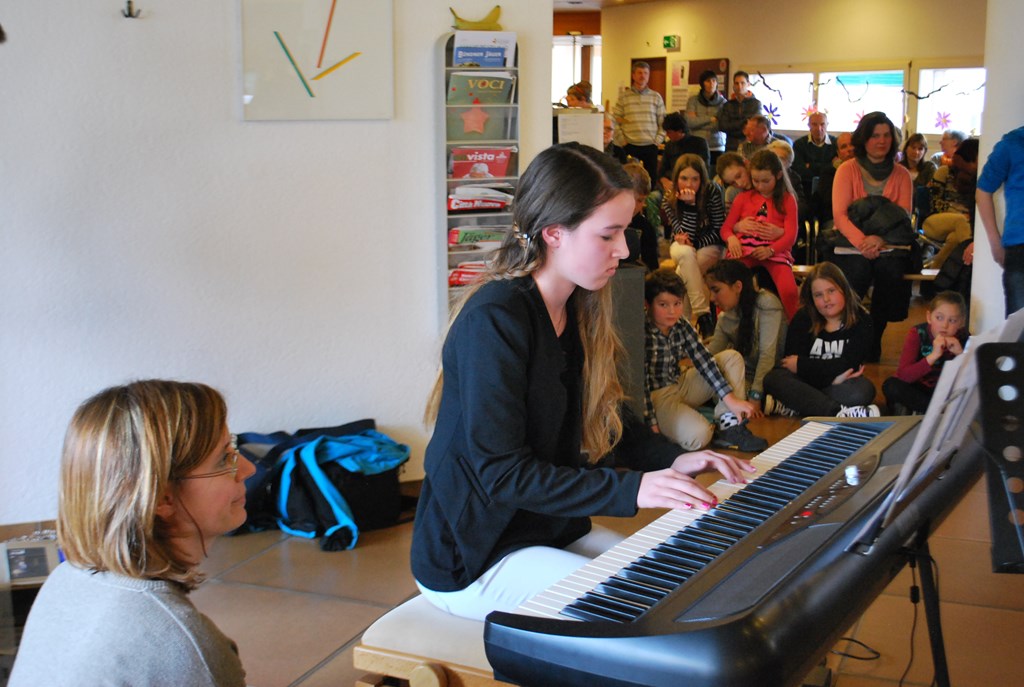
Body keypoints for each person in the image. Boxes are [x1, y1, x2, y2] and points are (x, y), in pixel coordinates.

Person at [410, 143, 755, 621]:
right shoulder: (495, 320)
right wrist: (633, 489)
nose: (624, 250)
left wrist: (675, 459)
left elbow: (606, 413)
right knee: (644, 615)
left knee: (677, 583)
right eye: (608, 235)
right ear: (554, 232)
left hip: (546, 527)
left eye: (624, 232)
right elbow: (503, 475)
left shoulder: (574, 307)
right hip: (475, 553)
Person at [9, 380, 252, 687]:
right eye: (224, 459)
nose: (248, 469)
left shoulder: (65, 578)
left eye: (234, 449)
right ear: (161, 498)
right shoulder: (189, 648)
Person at [643, 269, 768, 453]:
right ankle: (678, 424)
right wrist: (651, 425)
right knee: (700, 436)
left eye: (677, 303)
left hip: (680, 382)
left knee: (731, 358)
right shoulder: (642, 330)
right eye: (663, 304)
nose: (672, 311)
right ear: (648, 304)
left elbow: (704, 360)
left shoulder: (681, 325)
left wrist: (731, 399)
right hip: (658, 395)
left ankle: (729, 426)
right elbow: (641, 385)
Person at [831, 111, 914, 362]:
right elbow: (840, 216)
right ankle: (852, 334)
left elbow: (902, 216)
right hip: (851, 242)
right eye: (875, 135)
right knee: (856, 273)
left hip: (889, 244)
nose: (882, 141)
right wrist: (863, 243)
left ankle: (875, 334)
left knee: (890, 273)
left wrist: (878, 241)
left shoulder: (902, 174)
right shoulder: (846, 170)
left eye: (886, 135)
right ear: (864, 139)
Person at [763, 262, 881, 418]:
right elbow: (790, 363)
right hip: (819, 381)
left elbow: (848, 364)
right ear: (811, 298)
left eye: (831, 291)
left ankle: (797, 405)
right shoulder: (803, 318)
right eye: (818, 295)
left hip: (836, 383)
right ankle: (838, 412)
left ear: (844, 289)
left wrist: (803, 365)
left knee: (863, 391)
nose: (826, 299)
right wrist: (832, 378)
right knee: (774, 378)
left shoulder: (862, 320)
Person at [721, 149, 800, 320]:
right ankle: (723, 323)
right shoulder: (743, 198)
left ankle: (795, 327)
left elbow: (791, 236)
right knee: (725, 282)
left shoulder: (787, 199)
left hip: (775, 253)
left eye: (765, 181)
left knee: (789, 291)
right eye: (755, 181)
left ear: (778, 176)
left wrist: (771, 250)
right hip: (744, 250)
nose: (760, 186)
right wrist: (732, 238)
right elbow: (726, 228)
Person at [705, 260, 788, 416]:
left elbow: (767, 356)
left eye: (716, 290)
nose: (712, 298)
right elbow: (711, 355)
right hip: (745, 376)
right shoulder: (725, 318)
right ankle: (768, 404)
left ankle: (768, 403)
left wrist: (755, 396)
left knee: (726, 396)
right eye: (710, 291)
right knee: (713, 389)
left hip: (772, 374)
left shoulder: (766, 303)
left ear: (738, 286)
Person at [659, 154, 727, 335]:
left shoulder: (712, 191)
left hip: (711, 244)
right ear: (676, 178)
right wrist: (689, 206)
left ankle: (683, 328)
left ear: (702, 179)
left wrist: (695, 243)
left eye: (695, 179)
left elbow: (718, 230)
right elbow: (682, 234)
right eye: (684, 178)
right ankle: (703, 315)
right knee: (686, 254)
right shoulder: (669, 197)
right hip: (682, 246)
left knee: (683, 273)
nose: (689, 184)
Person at [882, 291, 967, 415]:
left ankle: (929, 410)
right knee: (891, 386)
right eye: (939, 318)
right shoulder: (917, 333)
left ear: (961, 322)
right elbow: (904, 375)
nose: (945, 325)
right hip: (920, 388)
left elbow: (971, 377)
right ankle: (935, 410)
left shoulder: (964, 338)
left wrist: (960, 354)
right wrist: (933, 356)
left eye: (952, 320)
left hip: (946, 391)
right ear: (929, 317)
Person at [976, 125, 1024, 315]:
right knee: (1018, 326)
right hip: (1020, 249)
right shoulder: (1013, 143)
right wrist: (995, 241)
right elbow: (983, 190)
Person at [923, 138, 979, 269]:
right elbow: (936, 204)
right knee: (961, 221)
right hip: (935, 221)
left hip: (963, 226)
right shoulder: (944, 172)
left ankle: (935, 275)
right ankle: (972, 266)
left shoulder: (978, 178)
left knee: (954, 238)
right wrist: (961, 214)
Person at [613, 61, 666, 184]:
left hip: (650, 146)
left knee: (650, 181)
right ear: (633, 75)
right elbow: (615, 120)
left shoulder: (656, 97)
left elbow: (663, 121)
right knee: (629, 181)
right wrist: (622, 140)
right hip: (629, 145)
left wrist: (658, 141)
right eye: (640, 73)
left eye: (646, 73)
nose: (643, 76)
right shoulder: (623, 97)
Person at [792, 112, 838, 206]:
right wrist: (829, 165)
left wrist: (810, 166)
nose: (819, 128)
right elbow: (799, 171)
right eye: (814, 124)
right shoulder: (799, 144)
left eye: (822, 124)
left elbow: (836, 170)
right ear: (809, 126)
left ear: (827, 125)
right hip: (805, 190)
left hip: (831, 189)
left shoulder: (836, 143)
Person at [622, 160, 660, 270]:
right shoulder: (604, 222)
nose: (634, 206)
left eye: (640, 200)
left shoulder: (646, 228)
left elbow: (652, 268)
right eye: (630, 198)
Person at [685, 69, 727, 164]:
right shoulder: (693, 101)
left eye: (714, 81)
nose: (711, 84)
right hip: (696, 145)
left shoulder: (723, 103)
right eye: (708, 81)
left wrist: (699, 121)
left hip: (716, 145)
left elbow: (720, 125)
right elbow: (690, 123)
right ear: (702, 83)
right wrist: (711, 119)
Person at [718, 71, 762, 152]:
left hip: (750, 147)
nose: (739, 86)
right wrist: (744, 122)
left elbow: (753, 127)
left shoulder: (756, 104)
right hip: (731, 147)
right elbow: (723, 126)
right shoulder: (727, 105)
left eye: (742, 83)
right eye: (736, 83)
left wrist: (733, 126)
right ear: (733, 85)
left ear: (748, 84)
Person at [659, 112, 711, 179]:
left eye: (669, 132)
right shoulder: (669, 145)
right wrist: (664, 180)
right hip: (672, 181)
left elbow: (704, 170)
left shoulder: (699, 143)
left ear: (680, 131)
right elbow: (662, 171)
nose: (667, 135)